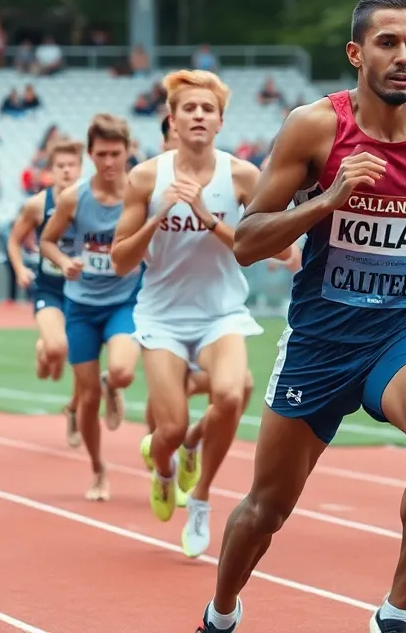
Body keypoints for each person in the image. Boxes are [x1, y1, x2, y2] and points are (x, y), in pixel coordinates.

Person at [195, 0, 406, 633]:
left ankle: (394, 615)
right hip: (320, 341)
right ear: (355, 52)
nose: (403, 57)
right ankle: (219, 616)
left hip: (404, 330)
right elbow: (251, 244)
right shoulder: (316, 127)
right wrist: (329, 198)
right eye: (387, 43)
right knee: (267, 510)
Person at [112, 70, 289, 559]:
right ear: (172, 118)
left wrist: (208, 217)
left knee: (232, 395)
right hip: (163, 317)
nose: (197, 116)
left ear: (220, 122)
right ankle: (168, 462)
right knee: (165, 429)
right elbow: (120, 260)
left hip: (221, 314)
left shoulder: (243, 177)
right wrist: (157, 215)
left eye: (206, 109)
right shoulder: (146, 177)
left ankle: (204, 495)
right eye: (188, 108)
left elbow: (257, 249)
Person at [39, 113, 143, 502]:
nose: (109, 162)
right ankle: (99, 469)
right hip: (81, 304)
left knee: (122, 371)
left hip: (126, 299)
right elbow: (47, 241)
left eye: (116, 153)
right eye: (101, 154)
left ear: (128, 151)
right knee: (86, 400)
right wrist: (65, 263)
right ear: (90, 154)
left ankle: (112, 385)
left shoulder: (140, 192)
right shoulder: (73, 198)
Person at [7, 139, 86, 448]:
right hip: (50, 288)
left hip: (83, 291)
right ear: (51, 171)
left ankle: (75, 410)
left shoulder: (91, 202)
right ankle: (45, 351)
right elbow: (14, 240)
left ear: (80, 168)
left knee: (82, 358)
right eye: (60, 166)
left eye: (72, 166)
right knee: (56, 349)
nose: (66, 171)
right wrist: (19, 269)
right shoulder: (38, 205)